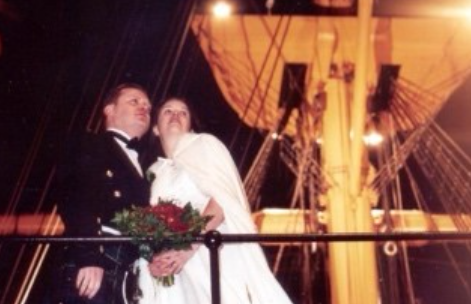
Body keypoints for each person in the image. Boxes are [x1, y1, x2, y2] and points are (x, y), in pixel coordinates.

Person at [137, 97, 293, 304]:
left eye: (183, 112)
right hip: (173, 262)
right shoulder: (155, 171)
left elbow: (222, 201)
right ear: (156, 128)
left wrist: (186, 248)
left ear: (190, 126)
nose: (176, 115)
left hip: (206, 250)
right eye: (168, 111)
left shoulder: (204, 145)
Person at [55, 83, 152, 304]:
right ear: (109, 110)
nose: (144, 108)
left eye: (147, 106)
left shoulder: (143, 164)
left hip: (127, 267)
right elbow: (76, 198)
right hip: (99, 256)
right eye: (134, 101)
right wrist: (89, 256)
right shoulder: (89, 143)